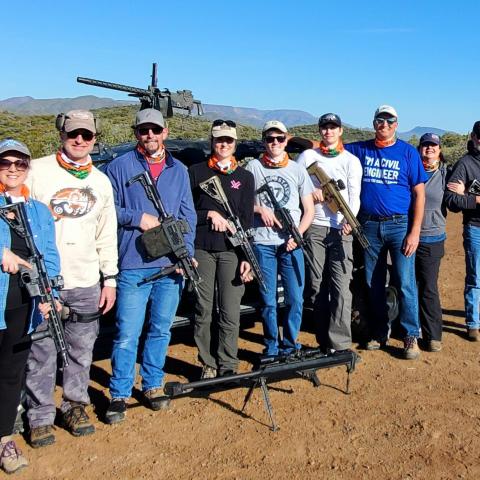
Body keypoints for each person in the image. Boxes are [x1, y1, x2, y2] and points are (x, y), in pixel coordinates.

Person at [25, 110, 118, 447]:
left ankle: (75, 405)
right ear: (61, 134)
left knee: (81, 349)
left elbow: (107, 233)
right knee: (42, 351)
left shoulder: (100, 181)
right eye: (73, 134)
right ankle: (39, 416)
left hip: (86, 279)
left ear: (94, 138)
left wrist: (110, 279)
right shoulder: (36, 170)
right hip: (43, 280)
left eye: (87, 135)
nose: (79, 140)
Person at [103, 108, 196, 423]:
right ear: (136, 133)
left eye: (156, 130)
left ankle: (153, 385)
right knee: (127, 333)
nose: (150, 136)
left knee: (160, 330)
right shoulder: (118, 167)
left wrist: (187, 252)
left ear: (165, 132)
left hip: (171, 266)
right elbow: (106, 208)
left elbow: (188, 215)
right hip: (133, 264)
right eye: (144, 131)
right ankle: (119, 392)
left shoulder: (179, 170)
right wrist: (136, 217)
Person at [345, 105, 427, 360]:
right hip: (369, 225)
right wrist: (293, 140)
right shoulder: (360, 149)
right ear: (373, 123)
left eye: (389, 121)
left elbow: (419, 194)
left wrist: (415, 232)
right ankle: (379, 331)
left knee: (404, 281)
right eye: (380, 120)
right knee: (373, 282)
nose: (384, 124)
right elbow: (331, 146)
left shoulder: (407, 152)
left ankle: (410, 335)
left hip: (399, 225)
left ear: (396, 124)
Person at [0, 139, 60, 473]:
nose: (12, 169)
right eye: (5, 163)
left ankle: (4, 439)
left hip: (24, 303)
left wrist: (51, 293)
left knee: (10, 374)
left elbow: (49, 255)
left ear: (27, 168)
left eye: (19, 163)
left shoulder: (36, 210)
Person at [189, 120, 254, 378]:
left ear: (235, 143)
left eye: (228, 140)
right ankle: (208, 362)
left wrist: (246, 257)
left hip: (231, 250)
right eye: (219, 140)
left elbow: (247, 221)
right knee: (203, 309)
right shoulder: (195, 172)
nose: (223, 144)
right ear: (211, 142)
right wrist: (208, 214)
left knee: (229, 309)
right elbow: (184, 213)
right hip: (201, 249)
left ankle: (228, 363)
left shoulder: (245, 177)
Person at [246, 120, 315, 357]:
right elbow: (242, 202)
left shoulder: (297, 169)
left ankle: (290, 344)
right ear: (264, 141)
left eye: (279, 138)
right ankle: (272, 346)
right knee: (268, 300)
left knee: (295, 298)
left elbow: (309, 210)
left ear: (286, 140)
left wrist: (298, 236)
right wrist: (260, 210)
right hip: (263, 242)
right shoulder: (253, 167)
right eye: (269, 139)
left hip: (291, 242)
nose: (274, 143)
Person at [296, 113, 362, 353]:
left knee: (341, 286)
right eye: (325, 127)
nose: (329, 131)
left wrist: (348, 220)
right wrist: (311, 195)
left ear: (340, 131)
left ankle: (341, 343)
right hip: (314, 226)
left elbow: (354, 197)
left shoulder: (350, 161)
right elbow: (296, 185)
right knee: (315, 285)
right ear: (320, 130)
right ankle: (323, 339)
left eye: (333, 127)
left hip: (340, 228)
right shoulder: (308, 157)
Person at [444, 121, 480, 342]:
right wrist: (474, 199)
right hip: (475, 227)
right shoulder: (464, 164)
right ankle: (473, 323)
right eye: (479, 136)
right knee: (476, 276)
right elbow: (451, 200)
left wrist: (470, 195)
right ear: (474, 137)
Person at [416, 133, 449, 352]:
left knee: (428, 286)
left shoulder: (447, 173)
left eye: (433, 146)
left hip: (432, 237)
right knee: (407, 285)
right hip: (409, 235)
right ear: (420, 149)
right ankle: (410, 329)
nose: (429, 149)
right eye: (426, 145)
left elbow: (457, 197)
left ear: (439, 150)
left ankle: (433, 334)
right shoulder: (412, 171)